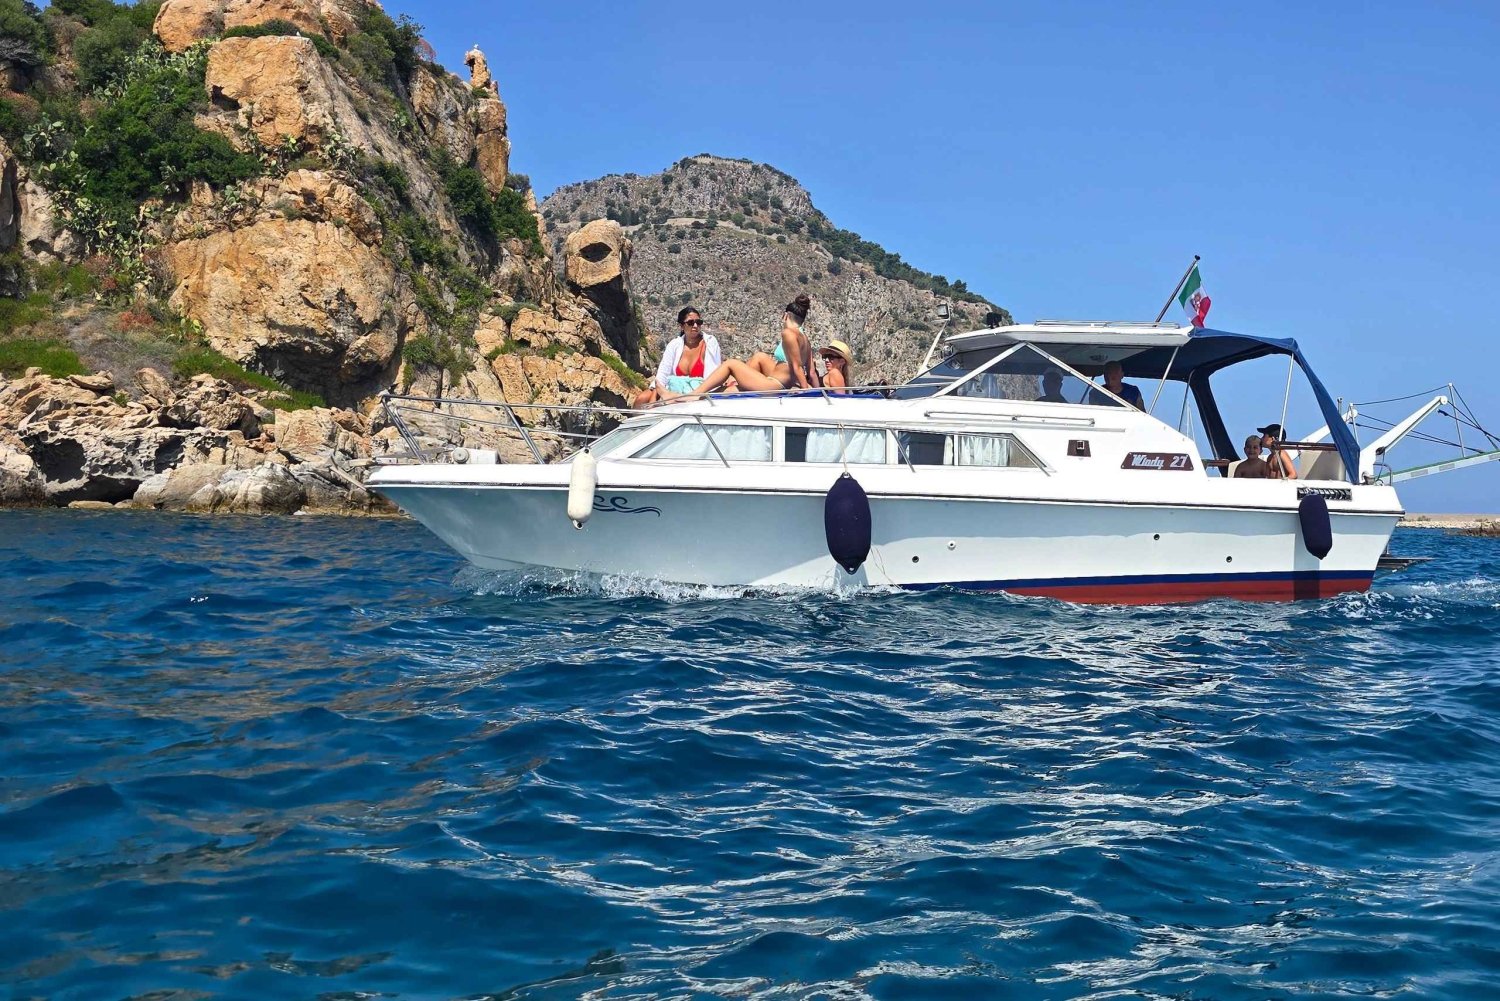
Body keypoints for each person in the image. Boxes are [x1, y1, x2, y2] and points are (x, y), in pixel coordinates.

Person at [676, 294, 816, 399]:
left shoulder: (788, 333)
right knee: (759, 358)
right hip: (780, 382)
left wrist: (805, 393)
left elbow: (797, 367)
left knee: (731, 363)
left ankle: (695, 395)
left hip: (774, 385)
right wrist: (820, 393)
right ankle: (732, 387)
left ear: (786, 316)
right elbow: (811, 373)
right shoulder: (805, 339)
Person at [633, 307, 721, 408]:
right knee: (641, 399)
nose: (695, 325)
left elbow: (714, 373)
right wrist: (653, 401)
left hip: (700, 391)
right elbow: (662, 375)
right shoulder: (674, 345)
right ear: (682, 326)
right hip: (675, 389)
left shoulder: (709, 343)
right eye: (690, 322)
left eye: (698, 322)